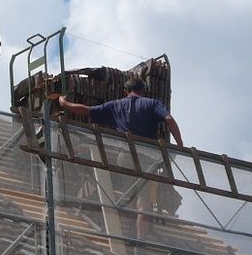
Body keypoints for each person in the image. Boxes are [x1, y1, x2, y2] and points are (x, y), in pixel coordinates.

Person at [57, 77, 183, 243]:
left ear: (125, 92)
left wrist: (64, 103)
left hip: (124, 157)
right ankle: (139, 246)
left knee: (130, 196)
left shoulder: (116, 105)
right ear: (143, 91)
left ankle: (130, 235)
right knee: (144, 204)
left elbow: (87, 110)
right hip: (147, 159)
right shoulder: (151, 103)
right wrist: (179, 144)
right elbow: (168, 119)